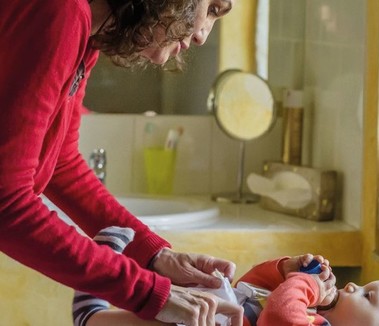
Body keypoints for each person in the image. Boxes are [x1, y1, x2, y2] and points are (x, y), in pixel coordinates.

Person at [0, 0, 242, 325]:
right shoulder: (60, 12)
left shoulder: (85, 33)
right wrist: (144, 291)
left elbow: (60, 164)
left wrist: (154, 255)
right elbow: (6, 203)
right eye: (212, 8)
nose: (201, 35)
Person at [78, 227, 379, 326]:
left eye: (368, 296)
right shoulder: (312, 316)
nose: (354, 285)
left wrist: (305, 285)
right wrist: (284, 271)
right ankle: (96, 308)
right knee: (197, 296)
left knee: (182, 315)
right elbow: (253, 292)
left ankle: (92, 315)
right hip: (223, 316)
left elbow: (278, 315)